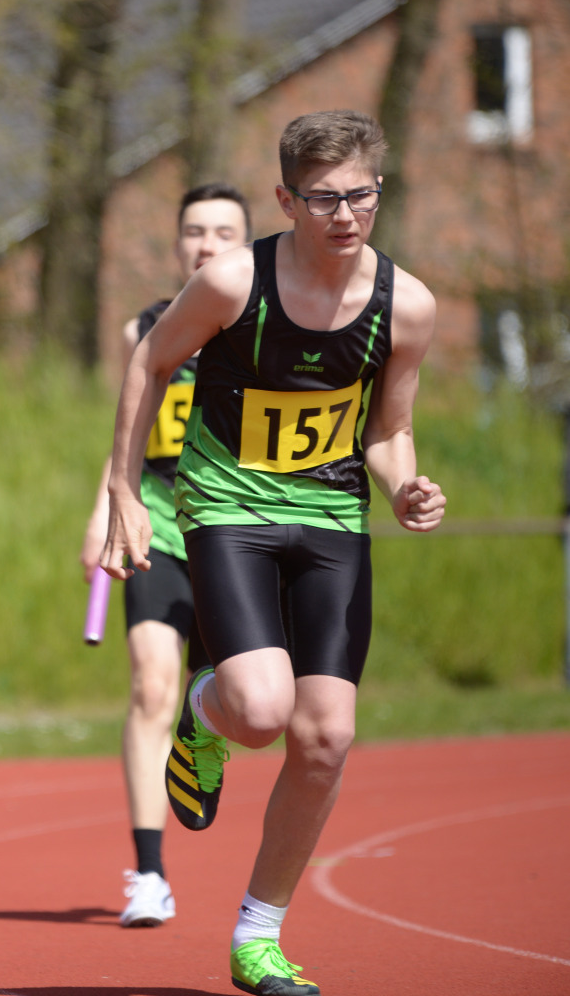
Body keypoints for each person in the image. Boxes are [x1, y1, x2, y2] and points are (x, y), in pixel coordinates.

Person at [101, 110, 445, 996]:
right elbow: (148, 364)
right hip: (229, 507)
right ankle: (203, 715)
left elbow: (389, 430)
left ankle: (258, 936)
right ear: (287, 200)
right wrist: (124, 494)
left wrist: (405, 486)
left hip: (330, 517)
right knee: (259, 711)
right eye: (323, 198)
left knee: (326, 736)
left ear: (380, 191)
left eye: (361, 195)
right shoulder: (231, 283)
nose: (345, 214)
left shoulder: (406, 305)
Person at [79, 184, 249, 927]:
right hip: (160, 531)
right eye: (194, 231)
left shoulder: (266, 327)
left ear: (248, 243)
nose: (206, 244)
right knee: (151, 684)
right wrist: (104, 510)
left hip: (237, 536)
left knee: (241, 699)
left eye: (223, 232)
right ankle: (149, 873)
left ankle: (201, 726)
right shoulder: (145, 329)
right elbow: (128, 431)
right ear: (177, 243)